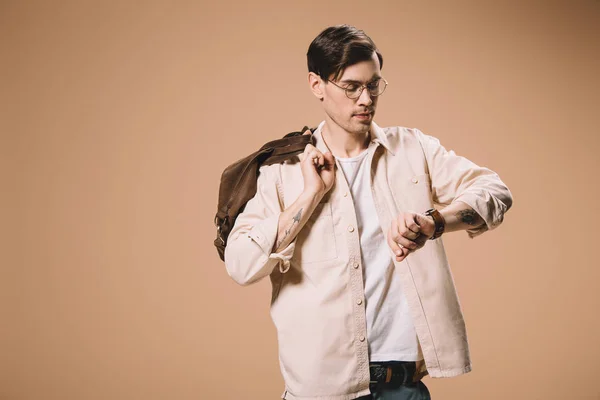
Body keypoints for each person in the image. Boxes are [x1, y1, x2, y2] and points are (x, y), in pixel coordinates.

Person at [224, 24, 513, 400]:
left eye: (374, 85)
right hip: (321, 389)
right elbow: (241, 265)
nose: (365, 99)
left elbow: (495, 192)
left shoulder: (413, 150)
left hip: (403, 385)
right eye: (352, 86)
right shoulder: (283, 171)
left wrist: (435, 222)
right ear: (317, 85)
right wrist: (310, 195)